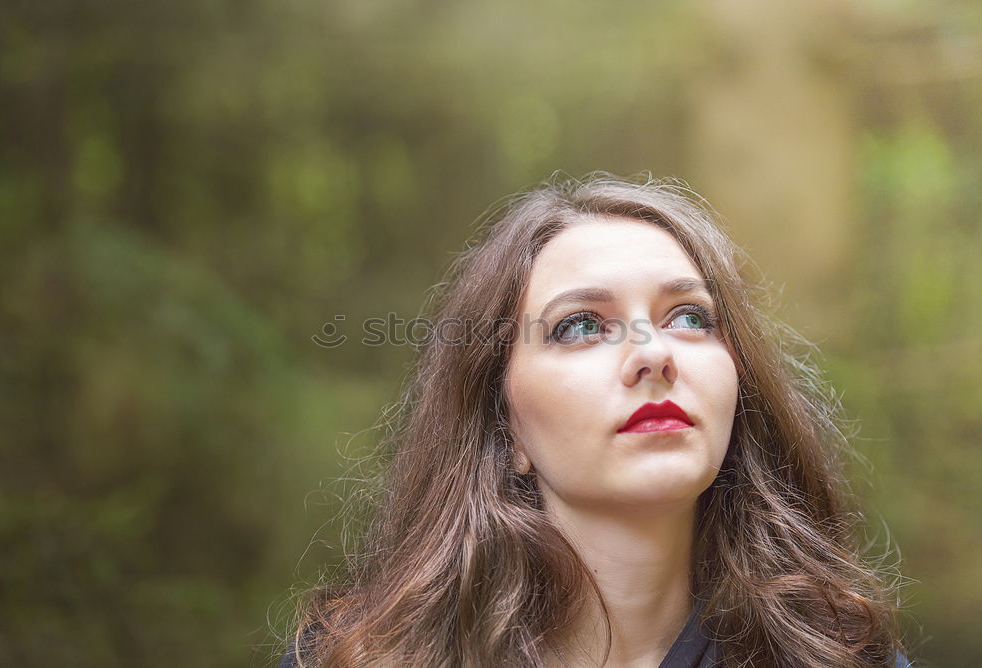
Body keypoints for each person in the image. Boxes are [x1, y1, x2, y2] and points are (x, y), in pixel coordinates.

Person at [280, 173, 910, 667]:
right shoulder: (361, 659)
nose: (654, 355)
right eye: (582, 326)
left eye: (690, 317)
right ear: (505, 427)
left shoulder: (838, 659)